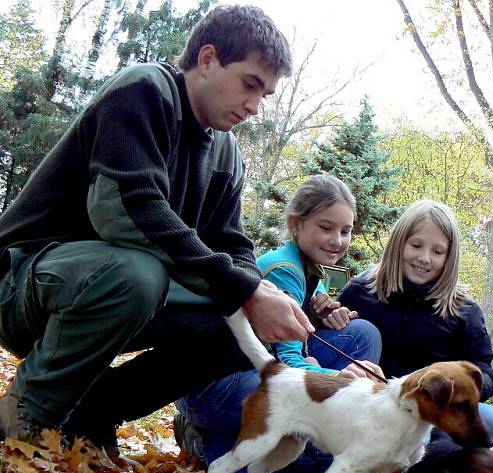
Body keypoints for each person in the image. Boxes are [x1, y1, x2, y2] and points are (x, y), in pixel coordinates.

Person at [0, 5, 313, 447]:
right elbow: (127, 212)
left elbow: (233, 242)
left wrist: (255, 292)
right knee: (138, 274)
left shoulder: (226, 153)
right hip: (21, 283)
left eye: (266, 96)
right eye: (250, 84)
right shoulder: (144, 90)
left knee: (238, 324)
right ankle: (28, 409)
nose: (256, 106)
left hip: (109, 298)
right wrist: (240, 287)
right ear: (207, 59)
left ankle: (88, 416)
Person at [173, 174, 383, 473]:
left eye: (345, 230)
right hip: (214, 384)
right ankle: (207, 445)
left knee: (363, 333)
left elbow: (306, 307)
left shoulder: (305, 263)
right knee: (328, 461)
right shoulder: (285, 271)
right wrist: (337, 380)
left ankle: (245, 438)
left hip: (253, 369)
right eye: (325, 228)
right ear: (296, 225)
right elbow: (286, 369)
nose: (337, 240)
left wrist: (322, 306)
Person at [336, 199, 493, 442]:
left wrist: (452, 393)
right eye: (416, 245)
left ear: (449, 257)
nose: (424, 258)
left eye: (437, 251)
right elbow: (334, 344)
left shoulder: (464, 310)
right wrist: (328, 317)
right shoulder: (361, 291)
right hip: (371, 405)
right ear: (399, 243)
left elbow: (483, 370)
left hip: (432, 414)